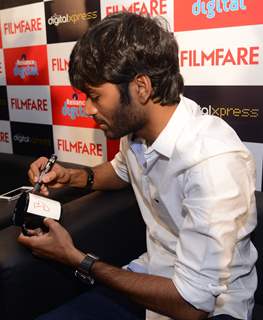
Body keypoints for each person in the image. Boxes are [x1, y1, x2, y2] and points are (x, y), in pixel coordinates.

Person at [18, 12, 257, 320]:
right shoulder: (137, 133)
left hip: (211, 308)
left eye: (94, 96)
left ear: (141, 88)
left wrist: (75, 258)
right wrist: (71, 177)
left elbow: (191, 305)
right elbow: (121, 172)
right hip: (151, 274)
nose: (87, 109)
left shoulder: (214, 161)